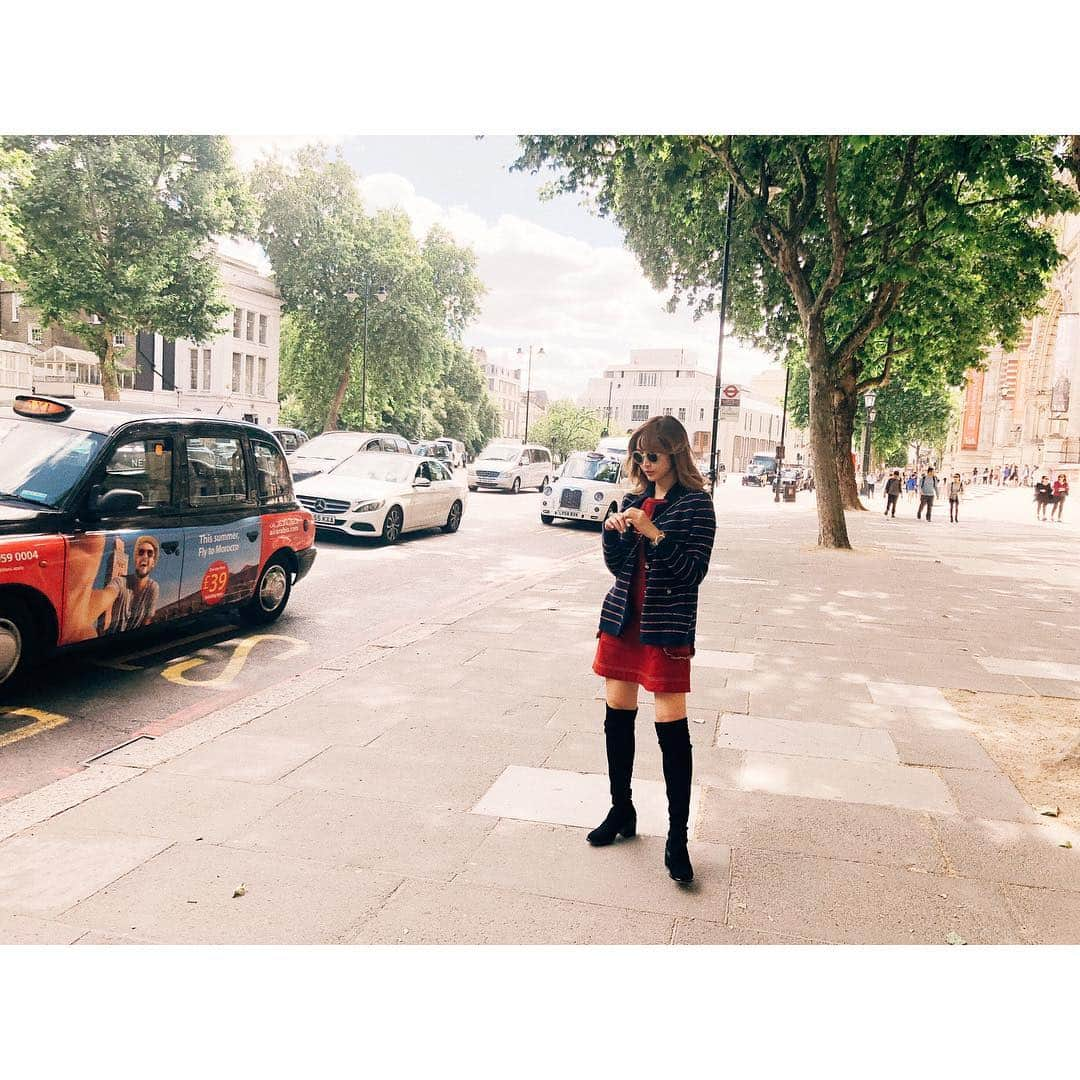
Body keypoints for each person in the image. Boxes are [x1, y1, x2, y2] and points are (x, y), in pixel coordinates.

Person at [590, 415, 716, 885]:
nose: (644, 463)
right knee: (617, 717)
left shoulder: (696, 506)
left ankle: (677, 838)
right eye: (639, 454)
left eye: (653, 455)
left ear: (675, 455)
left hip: (665, 629)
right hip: (622, 622)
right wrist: (614, 531)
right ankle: (622, 810)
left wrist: (653, 532)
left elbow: (692, 572)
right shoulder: (633, 500)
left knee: (671, 729)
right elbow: (617, 567)